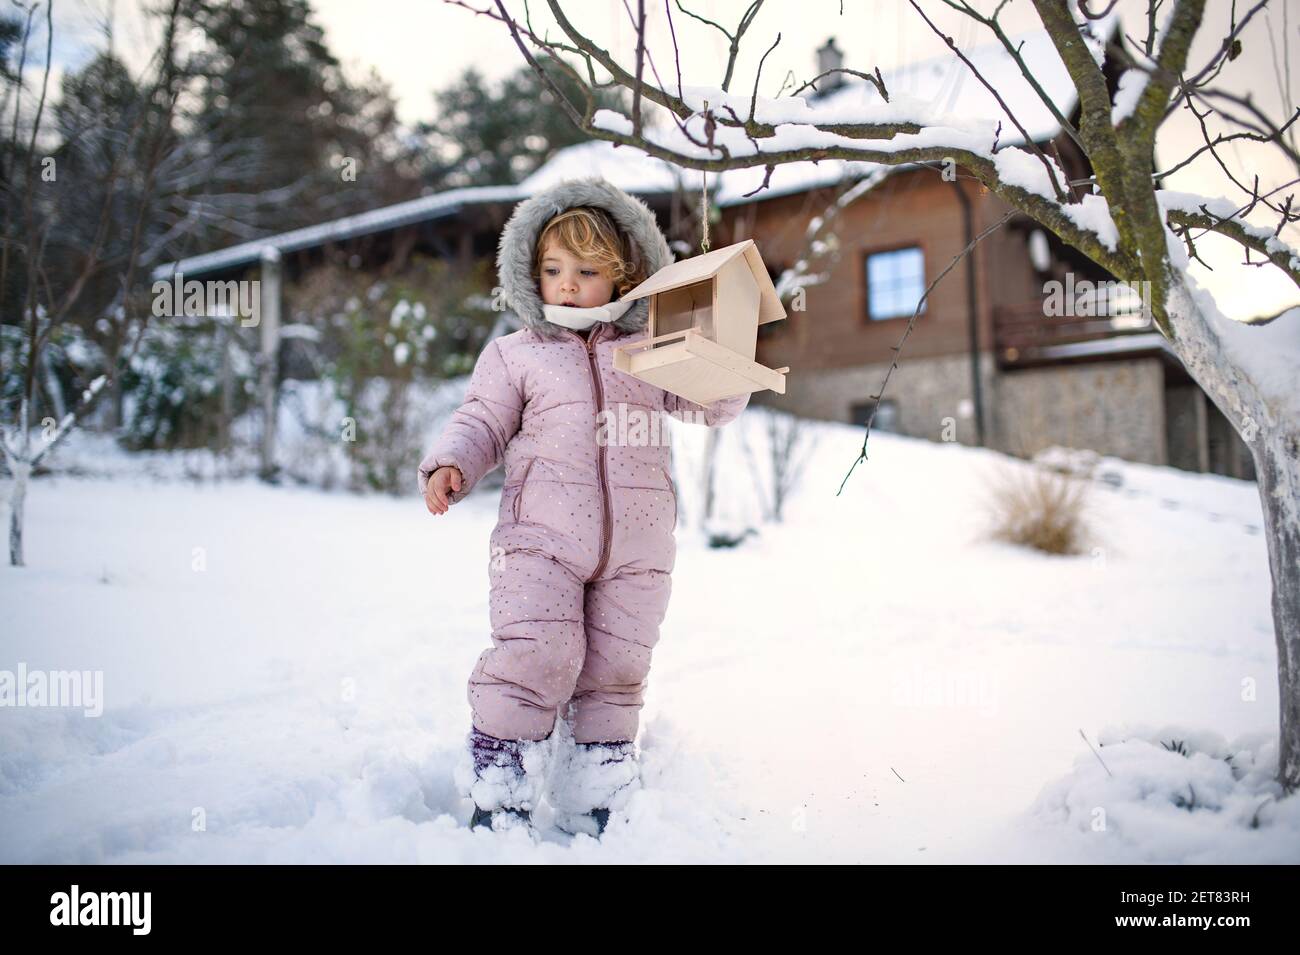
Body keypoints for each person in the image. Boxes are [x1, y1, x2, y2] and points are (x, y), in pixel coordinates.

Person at [418, 177, 749, 837]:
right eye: (552, 269)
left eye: (587, 270)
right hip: (538, 542)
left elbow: (707, 403)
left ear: (625, 274)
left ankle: (597, 791)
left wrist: (726, 353)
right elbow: (481, 418)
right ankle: (500, 786)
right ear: (528, 272)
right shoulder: (516, 355)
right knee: (536, 652)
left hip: (638, 550)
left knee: (617, 669)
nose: (567, 283)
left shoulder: (651, 349)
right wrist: (453, 461)